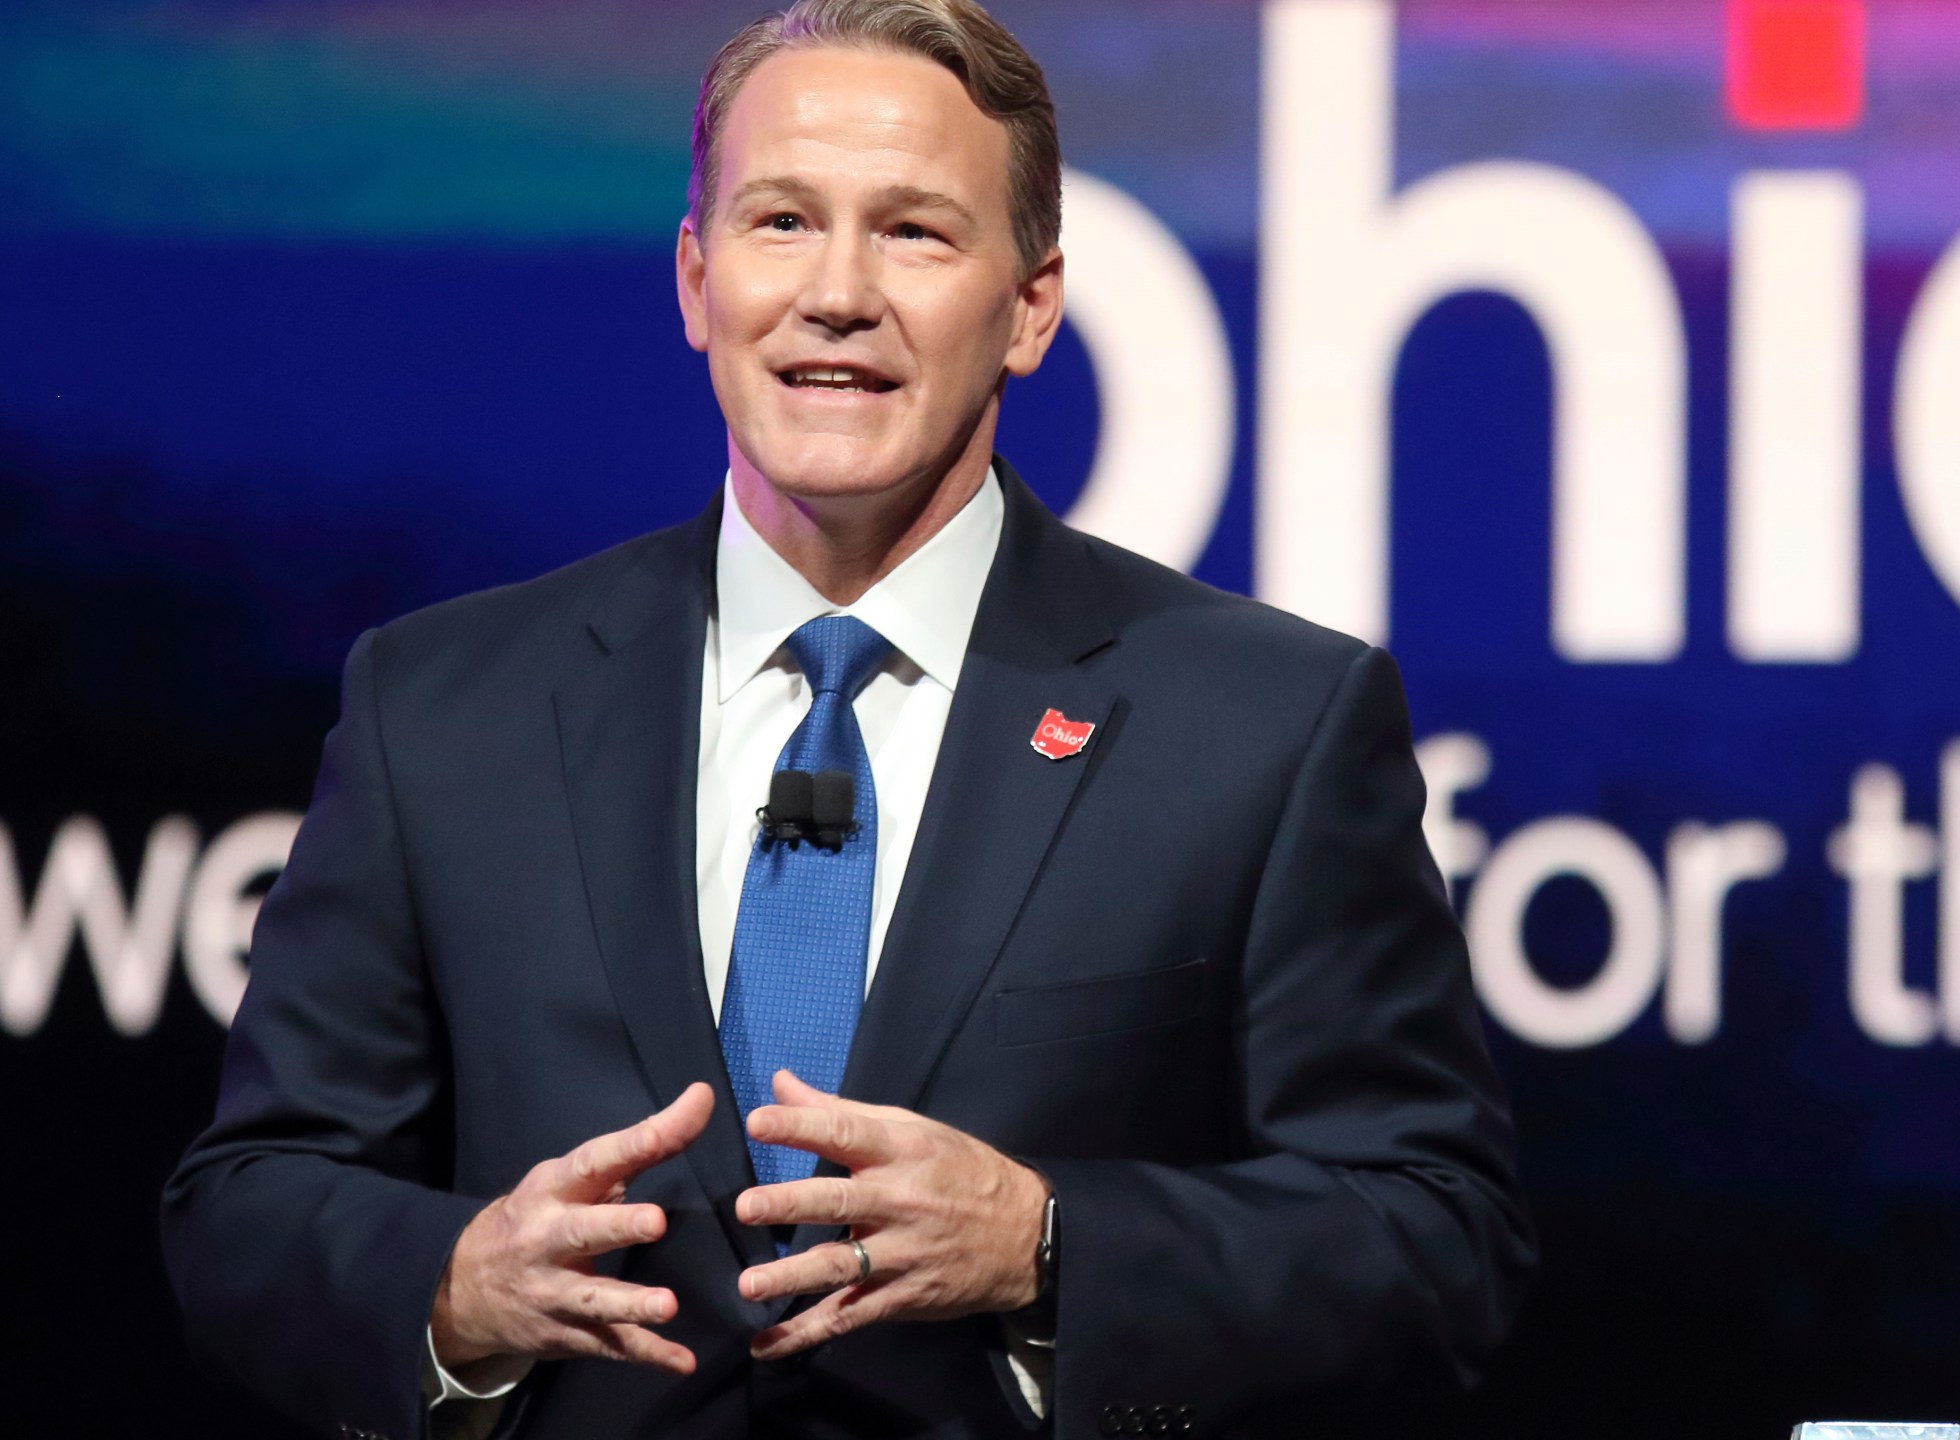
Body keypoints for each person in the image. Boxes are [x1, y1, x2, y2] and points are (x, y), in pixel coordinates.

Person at [161, 2, 1533, 1436]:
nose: (837, 293)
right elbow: (246, 1210)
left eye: (917, 233)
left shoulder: (1266, 724)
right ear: (696, 282)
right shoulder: (441, 709)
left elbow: (1438, 1240)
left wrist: (1049, 1245)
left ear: (1033, 305)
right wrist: (451, 1287)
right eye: (780, 223)